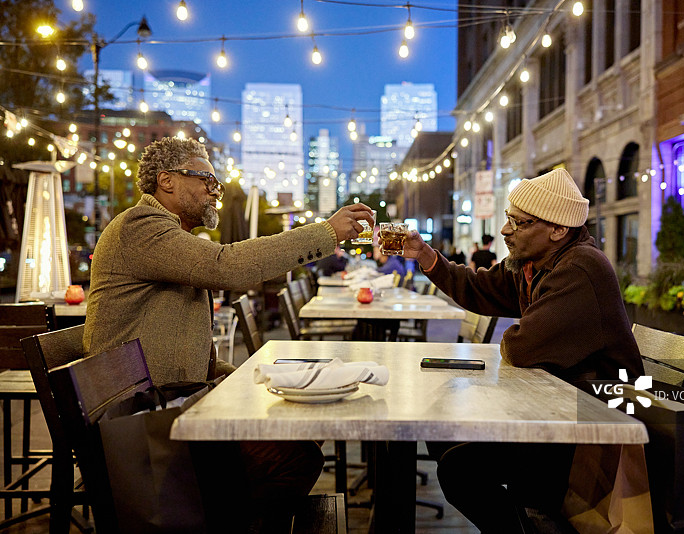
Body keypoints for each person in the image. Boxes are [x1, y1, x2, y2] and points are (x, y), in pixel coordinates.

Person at [83, 136, 374, 532]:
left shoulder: (169, 236)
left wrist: (248, 380)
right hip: (146, 429)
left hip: (173, 407)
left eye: (216, 183)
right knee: (296, 456)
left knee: (302, 427)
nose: (214, 191)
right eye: (206, 179)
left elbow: (188, 348)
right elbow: (227, 266)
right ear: (166, 181)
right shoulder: (141, 228)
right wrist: (325, 232)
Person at [385, 168, 643, 533]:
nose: (506, 230)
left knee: (460, 468)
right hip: (555, 408)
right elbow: (478, 288)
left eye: (519, 223)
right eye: (509, 219)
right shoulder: (533, 263)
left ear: (558, 229)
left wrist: (518, 332)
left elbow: (519, 347)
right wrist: (426, 255)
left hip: (596, 425)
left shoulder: (581, 268)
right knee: (443, 434)